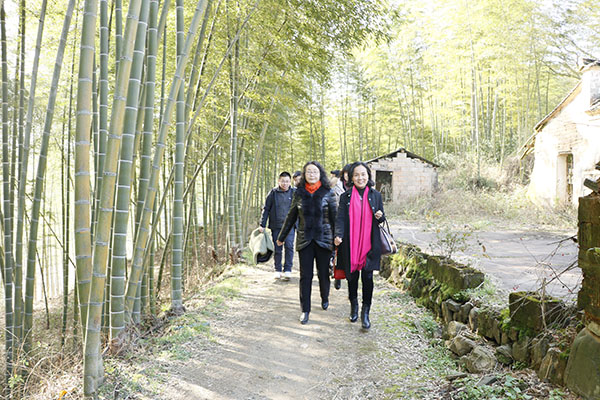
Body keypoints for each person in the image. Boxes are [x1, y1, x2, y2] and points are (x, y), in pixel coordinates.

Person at [277, 161, 337, 325]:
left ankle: (325, 296)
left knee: (323, 273)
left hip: (324, 239)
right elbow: (291, 216)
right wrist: (281, 237)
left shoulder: (328, 193)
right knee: (305, 276)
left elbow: (335, 218)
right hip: (305, 239)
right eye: (309, 172)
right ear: (304, 175)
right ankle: (305, 310)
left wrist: (338, 238)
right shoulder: (299, 193)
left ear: (320, 174)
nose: (312, 174)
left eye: (315, 171)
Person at [334, 161, 385, 330]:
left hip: (369, 244)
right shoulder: (345, 197)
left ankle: (365, 312)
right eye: (356, 175)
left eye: (363, 174)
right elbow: (340, 218)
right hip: (351, 244)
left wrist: (380, 216)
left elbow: (382, 219)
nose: (360, 178)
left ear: (368, 176)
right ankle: (354, 306)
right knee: (352, 278)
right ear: (351, 178)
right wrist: (338, 235)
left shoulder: (376, 195)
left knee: (368, 278)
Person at [260, 171, 295, 280]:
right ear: (279, 181)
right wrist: (262, 224)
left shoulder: (294, 192)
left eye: (287, 181)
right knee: (278, 248)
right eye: (283, 181)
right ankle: (278, 270)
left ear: (290, 182)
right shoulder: (273, 193)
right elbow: (266, 209)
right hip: (276, 225)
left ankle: (288, 269)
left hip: (290, 226)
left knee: (289, 246)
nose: (285, 183)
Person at [332, 164, 352, 290]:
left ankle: (345, 273)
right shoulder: (336, 186)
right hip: (336, 221)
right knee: (336, 249)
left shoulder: (357, 187)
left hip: (350, 223)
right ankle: (337, 274)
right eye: (346, 173)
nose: (347, 175)